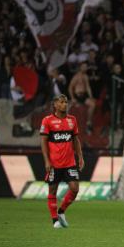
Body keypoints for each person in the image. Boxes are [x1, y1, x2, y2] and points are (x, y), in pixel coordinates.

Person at [40, 94, 84, 229]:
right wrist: (47, 161)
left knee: (75, 189)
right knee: (52, 190)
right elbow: (43, 142)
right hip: (54, 163)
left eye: (66, 102)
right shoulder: (47, 121)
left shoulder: (72, 120)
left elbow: (75, 140)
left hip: (69, 162)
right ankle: (55, 220)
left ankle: (61, 211)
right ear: (55, 105)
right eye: (62, 102)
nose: (65, 104)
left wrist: (80, 156)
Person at [68, 62, 96, 132]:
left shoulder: (85, 76)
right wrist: (73, 98)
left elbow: (87, 87)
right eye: (83, 66)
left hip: (84, 95)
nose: (85, 68)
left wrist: (91, 96)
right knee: (69, 107)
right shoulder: (76, 76)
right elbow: (70, 88)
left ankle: (89, 122)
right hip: (77, 95)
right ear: (80, 67)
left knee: (93, 104)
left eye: (86, 67)